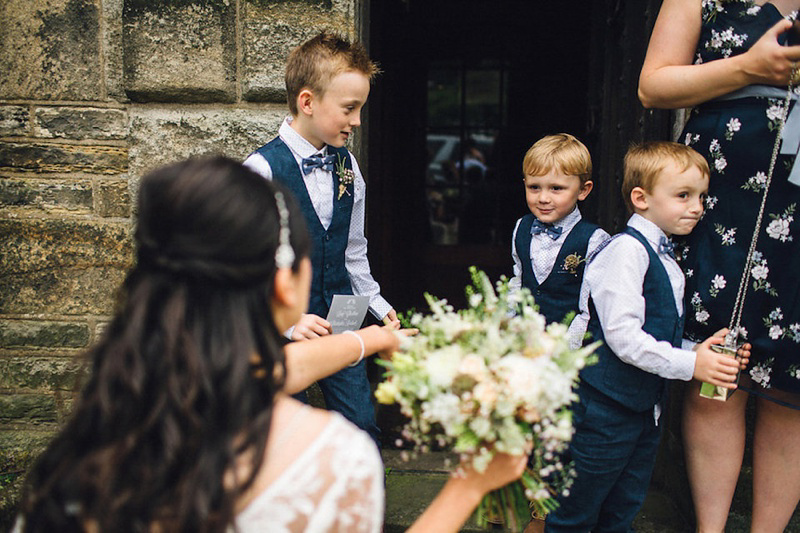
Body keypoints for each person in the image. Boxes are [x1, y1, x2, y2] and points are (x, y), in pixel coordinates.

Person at [15, 156, 527, 533]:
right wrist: (470, 484)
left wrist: (371, 339)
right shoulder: (332, 456)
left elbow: (276, 369)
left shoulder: (93, 436)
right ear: (287, 285)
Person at [639, 2, 800, 531]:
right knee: (718, 357)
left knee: (792, 381)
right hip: (727, 191)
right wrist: (747, 68)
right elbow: (653, 86)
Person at [547, 142, 748, 532]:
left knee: (622, 510)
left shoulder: (666, 257)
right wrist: (693, 365)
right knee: (576, 512)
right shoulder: (626, 252)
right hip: (603, 411)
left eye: (702, 196)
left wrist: (699, 351)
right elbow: (624, 338)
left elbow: (657, 332)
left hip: (643, 413)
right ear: (641, 198)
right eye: (684, 196)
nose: (697, 207)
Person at [243, 32, 398, 444]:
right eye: (350, 108)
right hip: (278, 329)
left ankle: (354, 505)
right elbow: (244, 266)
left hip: (343, 315)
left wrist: (378, 307)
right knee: (287, 432)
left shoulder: (349, 168)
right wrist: (291, 322)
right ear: (307, 102)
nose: (358, 121)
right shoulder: (260, 171)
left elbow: (353, 251)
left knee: (361, 425)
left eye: (361, 108)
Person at [509, 133, 609, 325]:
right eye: (534, 187)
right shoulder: (521, 228)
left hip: (568, 345)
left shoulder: (594, 239)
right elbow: (518, 283)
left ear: (583, 190)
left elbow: (590, 308)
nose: (543, 198)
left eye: (556, 188)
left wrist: (564, 348)